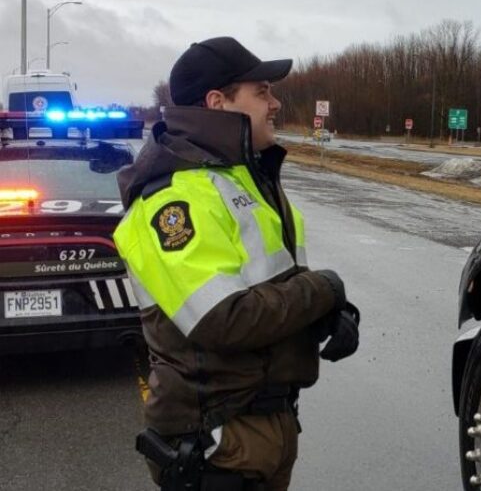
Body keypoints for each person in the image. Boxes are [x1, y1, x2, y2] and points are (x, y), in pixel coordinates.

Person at [113, 36, 360, 490]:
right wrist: (324, 290)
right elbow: (221, 319)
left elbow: (275, 283)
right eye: (261, 91)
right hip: (216, 440)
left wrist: (327, 315)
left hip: (264, 426)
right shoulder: (174, 199)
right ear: (217, 102)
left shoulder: (244, 180)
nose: (276, 103)